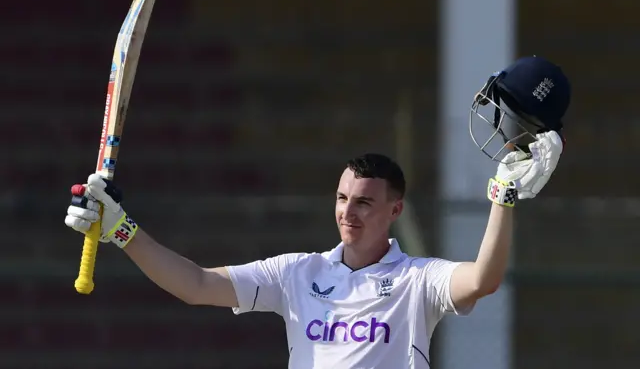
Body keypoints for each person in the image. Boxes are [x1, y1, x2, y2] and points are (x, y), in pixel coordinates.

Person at [65, 55, 570, 368]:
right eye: (342, 199)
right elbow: (195, 285)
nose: (348, 213)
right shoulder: (296, 273)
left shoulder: (419, 281)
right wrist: (123, 231)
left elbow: (483, 279)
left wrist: (502, 197)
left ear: (395, 210)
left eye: (365, 203)